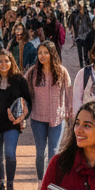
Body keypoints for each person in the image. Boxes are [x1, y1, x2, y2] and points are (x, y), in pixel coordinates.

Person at [0, 49, 31, 190]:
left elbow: (28, 102)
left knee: (10, 154)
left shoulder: (19, 80)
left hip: (12, 125)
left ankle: (10, 185)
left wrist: (23, 117)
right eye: (0, 61)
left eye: (6, 61)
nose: (4, 64)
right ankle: (2, 186)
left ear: (11, 62)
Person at [25, 41, 72, 181]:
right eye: (40, 53)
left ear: (52, 54)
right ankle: (41, 181)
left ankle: (51, 182)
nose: (43, 55)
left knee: (54, 152)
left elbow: (69, 92)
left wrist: (70, 112)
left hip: (57, 119)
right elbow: (22, 88)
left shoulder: (61, 71)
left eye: (46, 52)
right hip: (38, 119)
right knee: (40, 153)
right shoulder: (33, 72)